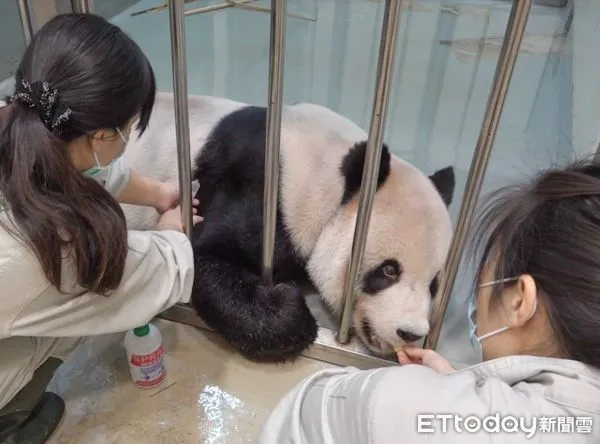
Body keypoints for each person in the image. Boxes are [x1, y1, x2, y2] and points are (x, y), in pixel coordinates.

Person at [260, 159, 600, 443]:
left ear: (519, 301)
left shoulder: (410, 408)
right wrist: (469, 389)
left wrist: (431, 396)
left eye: (482, 277)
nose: (422, 322)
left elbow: (303, 413)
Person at [0, 13, 201, 443]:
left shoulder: (20, 122)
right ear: (103, 136)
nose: (130, 137)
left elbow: (75, 168)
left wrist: (160, 193)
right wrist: (174, 229)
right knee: (79, 317)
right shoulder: (56, 248)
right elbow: (158, 271)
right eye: (130, 129)